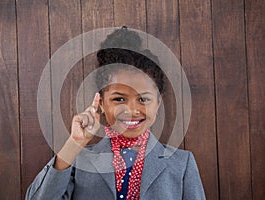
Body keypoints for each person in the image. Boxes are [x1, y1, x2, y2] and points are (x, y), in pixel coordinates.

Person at [25, 27, 205, 200]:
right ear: (101, 103)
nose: (131, 110)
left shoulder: (182, 164)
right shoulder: (78, 160)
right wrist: (74, 143)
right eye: (119, 99)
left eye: (143, 99)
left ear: (158, 103)